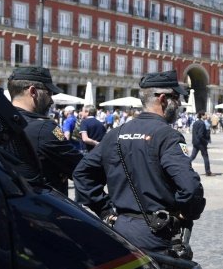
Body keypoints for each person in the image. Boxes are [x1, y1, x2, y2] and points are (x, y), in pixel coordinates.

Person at [73, 70, 205, 255]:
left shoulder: (115, 134)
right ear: (162, 99)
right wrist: (187, 212)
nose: (180, 104)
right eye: (176, 98)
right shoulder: (167, 136)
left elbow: (82, 173)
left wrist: (104, 211)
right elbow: (190, 187)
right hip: (157, 234)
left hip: (120, 229)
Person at [7, 66, 83, 194]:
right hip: (46, 206)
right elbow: (80, 166)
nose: (51, 100)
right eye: (49, 93)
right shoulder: (45, 128)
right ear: (33, 91)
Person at [190, 111, 213, 176]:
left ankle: (184, 166)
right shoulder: (202, 123)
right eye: (205, 115)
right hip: (201, 143)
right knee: (205, 157)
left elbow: (194, 133)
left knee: (193, 156)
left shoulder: (195, 123)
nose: (206, 116)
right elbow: (200, 135)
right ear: (202, 116)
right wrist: (205, 141)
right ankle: (208, 171)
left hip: (195, 142)